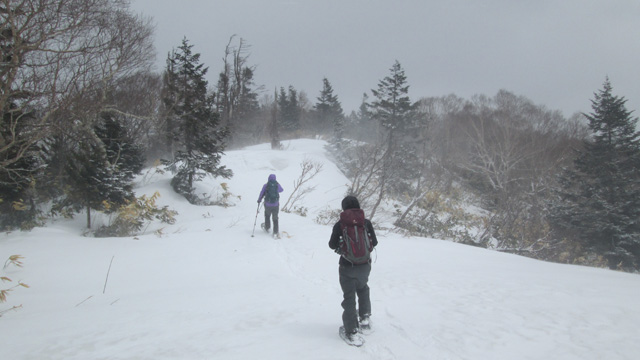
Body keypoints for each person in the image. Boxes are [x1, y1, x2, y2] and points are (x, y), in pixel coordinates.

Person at [329, 195, 378, 341]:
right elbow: (374, 242)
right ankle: (364, 318)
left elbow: (331, 245)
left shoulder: (340, 224)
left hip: (347, 265)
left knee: (349, 296)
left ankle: (352, 331)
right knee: (363, 288)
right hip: (365, 265)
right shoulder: (366, 223)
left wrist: (342, 248)